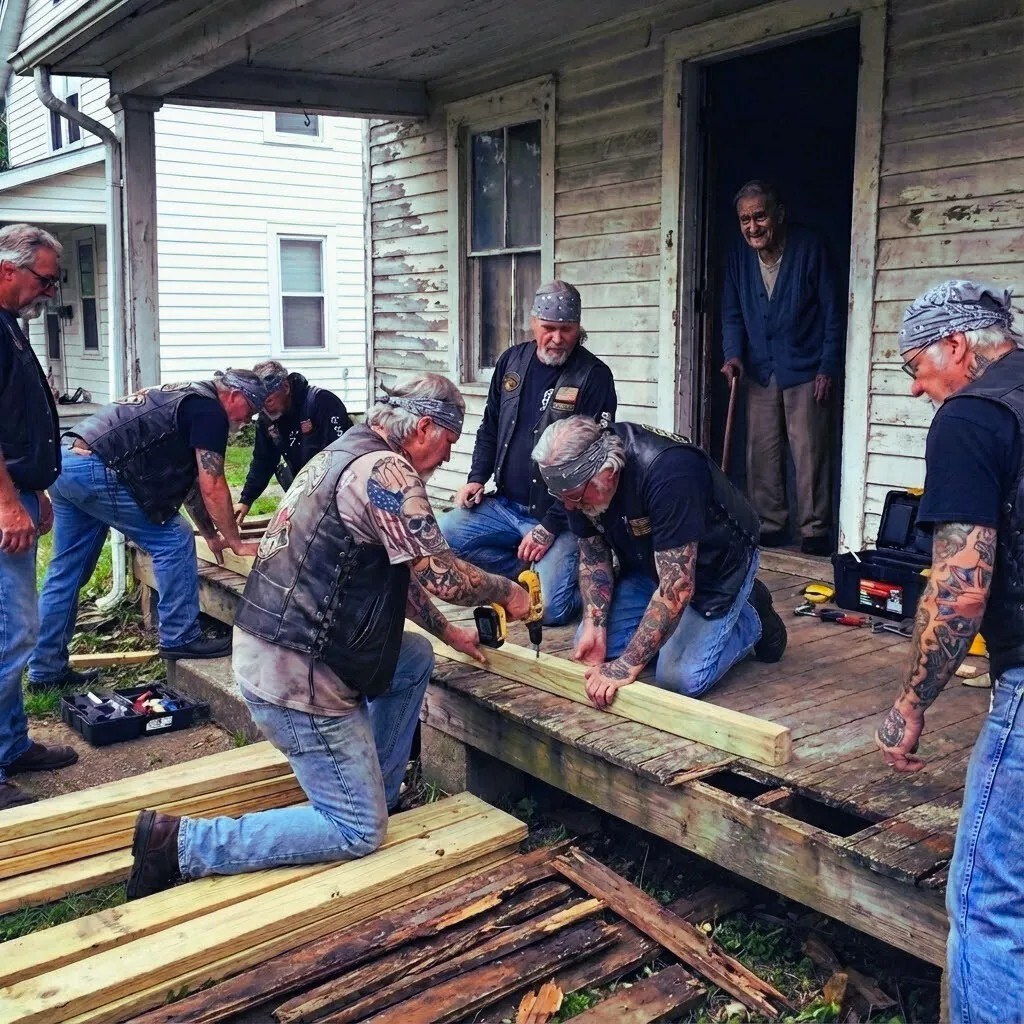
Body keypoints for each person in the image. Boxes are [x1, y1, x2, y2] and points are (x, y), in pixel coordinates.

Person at [125, 373, 531, 898]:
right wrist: (508, 593)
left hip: (281, 643)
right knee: (358, 831)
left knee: (411, 658)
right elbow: (441, 573)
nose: (446, 457)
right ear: (426, 427)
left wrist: (447, 631)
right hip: (298, 670)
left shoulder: (346, 451)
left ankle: (377, 790)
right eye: (449, 443)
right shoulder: (388, 473)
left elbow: (402, 569)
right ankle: (181, 845)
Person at [874, 280, 1024, 1021]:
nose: (917, 386)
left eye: (915, 366)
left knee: (989, 897)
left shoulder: (971, 417)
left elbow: (960, 590)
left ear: (958, 346)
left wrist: (911, 702)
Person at [28, 368, 271, 685]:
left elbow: (194, 486)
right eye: (250, 410)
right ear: (235, 395)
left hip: (69, 462)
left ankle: (45, 669)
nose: (248, 420)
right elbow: (213, 484)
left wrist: (212, 535)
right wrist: (236, 543)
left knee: (67, 571)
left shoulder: (190, 398)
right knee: (174, 540)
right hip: (98, 468)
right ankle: (180, 636)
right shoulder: (210, 412)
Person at [533, 416, 787, 706]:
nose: (568, 506)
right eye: (561, 497)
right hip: (648, 564)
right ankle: (682, 628)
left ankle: (751, 615)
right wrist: (594, 622)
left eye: (575, 497)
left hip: (716, 570)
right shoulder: (575, 484)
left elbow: (676, 588)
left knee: (679, 678)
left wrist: (626, 666)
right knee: (597, 648)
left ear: (606, 472)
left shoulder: (670, 471)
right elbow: (593, 554)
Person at [440, 281, 617, 626]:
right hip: (505, 507)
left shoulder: (594, 377)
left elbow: (591, 464)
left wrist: (549, 527)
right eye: (548, 328)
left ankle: (565, 576)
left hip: (562, 519)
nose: (556, 338)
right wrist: (476, 478)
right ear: (533, 322)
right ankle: (526, 573)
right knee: (443, 538)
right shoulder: (512, 362)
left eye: (566, 330)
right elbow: (490, 427)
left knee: (550, 610)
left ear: (578, 328)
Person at [720, 180, 844, 556]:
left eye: (760, 216)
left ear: (779, 215)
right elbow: (732, 314)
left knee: (810, 450)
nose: (753, 227)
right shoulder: (739, 258)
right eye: (745, 219)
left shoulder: (809, 247)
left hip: (805, 366)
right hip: (758, 366)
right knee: (762, 450)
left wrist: (827, 365)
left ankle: (814, 530)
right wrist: (733, 354)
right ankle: (771, 525)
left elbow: (833, 312)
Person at [0, 224, 79, 810]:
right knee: (11, 632)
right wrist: (6, 501)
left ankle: (11, 745)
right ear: (9, 268)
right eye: (45, 280)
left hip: (19, 492)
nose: (48, 292)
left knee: (12, 630)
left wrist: (35, 490)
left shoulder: (11, 327)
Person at [233, 359, 354, 524]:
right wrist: (245, 500)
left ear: (285, 387)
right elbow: (263, 461)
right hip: (305, 493)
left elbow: (343, 455)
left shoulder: (322, 402)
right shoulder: (267, 421)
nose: (265, 409)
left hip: (338, 491)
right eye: (260, 404)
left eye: (268, 401)